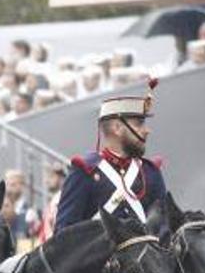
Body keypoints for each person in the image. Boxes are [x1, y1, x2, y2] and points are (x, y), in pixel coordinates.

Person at [54, 80, 167, 232]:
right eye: (139, 124)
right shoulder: (85, 172)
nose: (146, 130)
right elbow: (64, 234)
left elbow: (164, 230)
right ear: (117, 128)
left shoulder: (150, 173)